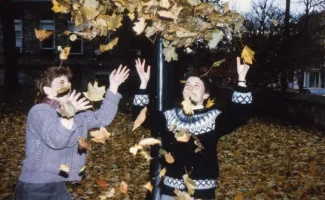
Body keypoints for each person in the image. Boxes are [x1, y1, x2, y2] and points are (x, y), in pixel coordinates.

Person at [132, 58, 252, 199]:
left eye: (196, 85)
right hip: (170, 191)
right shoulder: (169, 116)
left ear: (206, 95)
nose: (190, 87)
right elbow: (141, 118)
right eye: (187, 84)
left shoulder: (213, 118)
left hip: (201, 192)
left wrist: (242, 80)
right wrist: (143, 83)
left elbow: (240, 115)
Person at [14, 65, 129, 200]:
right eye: (61, 82)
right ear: (48, 90)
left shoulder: (77, 114)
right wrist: (69, 115)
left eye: (68, 82)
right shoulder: (40, 111)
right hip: (35, 188)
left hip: (58, 185)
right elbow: (56, 140)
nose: (68, 85)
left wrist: (114, 86)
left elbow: (102, 118)